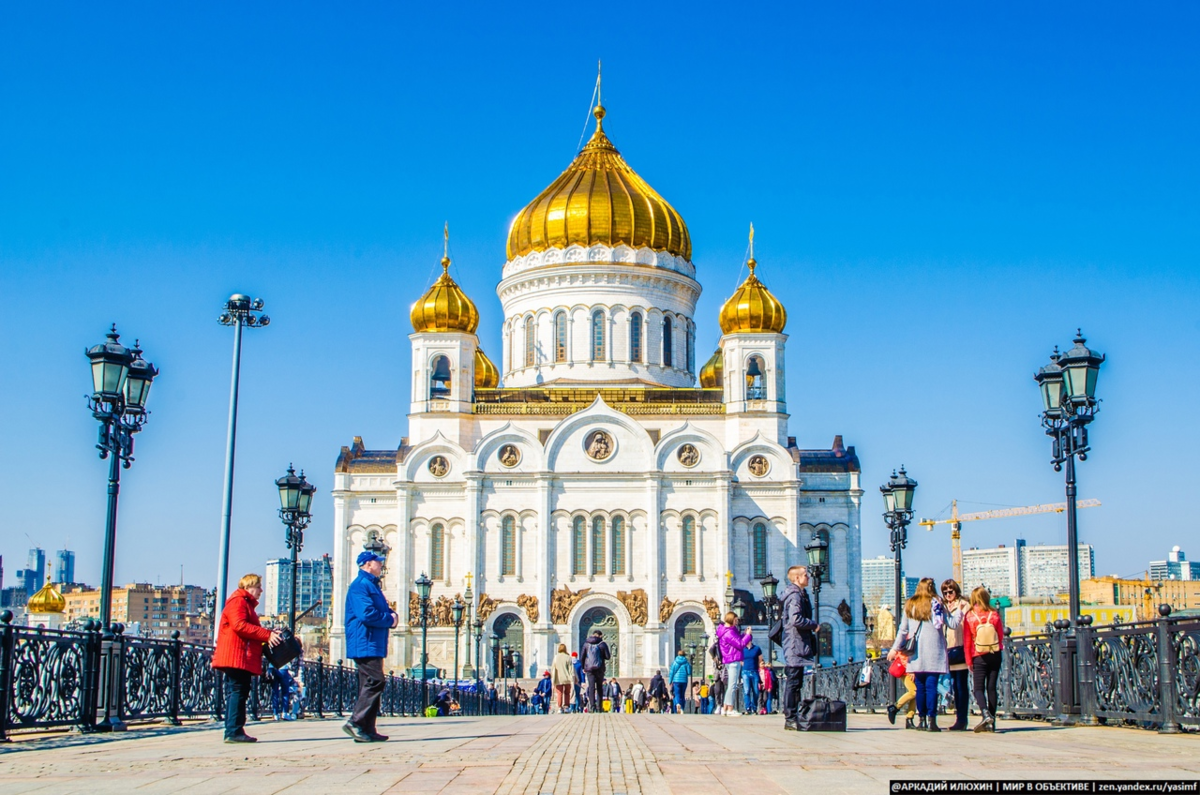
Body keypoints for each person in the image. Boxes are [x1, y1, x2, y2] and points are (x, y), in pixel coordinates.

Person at [212, 573, 283, 743]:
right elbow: (240, 625)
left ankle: (234, 729)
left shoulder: (244, 603)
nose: (261, 590)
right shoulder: (239, 602)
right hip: (236, 655)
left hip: (239, 655)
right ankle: (233, 731)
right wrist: (266, 635)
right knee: (237, 691)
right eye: (258, 587)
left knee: (238, 691)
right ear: (248, 587)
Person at [888, 577, 958, 732]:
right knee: (931, 686)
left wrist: (894, 649)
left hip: (916, 653)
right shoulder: (937, 603)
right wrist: (959, 607)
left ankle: (922, 720)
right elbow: (952, 623)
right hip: (935, 651)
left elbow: (903, 630)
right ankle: (932, 721)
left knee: (920, 688)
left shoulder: (910, 604)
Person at [343, 550, 398, 742]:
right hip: (364, 640)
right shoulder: (360, 586)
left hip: (372, 641)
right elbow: (366, 614)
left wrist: (391, 614)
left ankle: (367, 728)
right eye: (378, 562)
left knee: (368, 683)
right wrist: (389, 619)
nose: (381, 565)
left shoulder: (371, 586)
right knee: (376, 681)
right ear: (367, 564)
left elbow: (377, 609)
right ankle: (356, 722)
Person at [780, 565, 819, 730]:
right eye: (805, 575)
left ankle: (793, 716)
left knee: (796, 682)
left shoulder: (799, 594)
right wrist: (813, 625)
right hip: (795, 644)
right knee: (794, 682)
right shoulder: (795, 596)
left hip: (797, 643)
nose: (808, 577)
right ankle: (790, 717)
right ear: (797, 578)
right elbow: (795, 619)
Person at [964, 586, 1005, 733]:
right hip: (995, 653)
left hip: (978, 654)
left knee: (978, 688)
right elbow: (1000, 635)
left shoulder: (969, 616)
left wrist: (969, 660)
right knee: (992, 688)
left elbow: (967, 640)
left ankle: (985, 713)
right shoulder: (994, 614)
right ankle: (992, 722)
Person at [940, 579, 971, 731]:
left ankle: (962, 719)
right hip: (947, 650)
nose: (948, 595)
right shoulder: (943, 606)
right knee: (952, 685)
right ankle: (959, 717)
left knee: (960, 686)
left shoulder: (964, 605)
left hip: (960, 648)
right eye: (945, 593)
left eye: (950, 592)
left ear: (956, 591)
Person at [715, 612, 751, 716]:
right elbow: (740, 644)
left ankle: (725, 708)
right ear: (731, 620)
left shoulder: (728, 631)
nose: (737, 622)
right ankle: (730, 709)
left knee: (731, 685)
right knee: (732, 685)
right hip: (733, 659)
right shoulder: (728, 633)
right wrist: (748, 635)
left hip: (731, 659)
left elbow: (739, 640)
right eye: (735, 620)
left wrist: (745, 634)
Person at [581, 630, 610, 713]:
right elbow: (608, 657)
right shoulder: (602, 644)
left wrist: (583, 667)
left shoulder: (586, 644)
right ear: (600, 636)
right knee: (599, 687)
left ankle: (592, 707)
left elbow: (582, 656)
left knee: (591, 687)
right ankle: (599, 707)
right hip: (600, 668)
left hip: (589, 669)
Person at [886, 655, 918, 730]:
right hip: (906, 670)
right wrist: (910, 669)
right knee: (914, 692)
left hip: (914, 668)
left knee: (915, 694)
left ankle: (909, 718)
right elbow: (903, 656)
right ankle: (895, 707)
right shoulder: (906, 643)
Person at [551, 644, 575, 713]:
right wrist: (572, 678)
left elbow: (553, 668)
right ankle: (566, 706)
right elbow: (571, 669)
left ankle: (559, 708)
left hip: (558, 678)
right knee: (567, 693)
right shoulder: (568, 657)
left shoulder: (556, 657)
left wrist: (553, 678)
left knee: (559, 693)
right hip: (567, 678)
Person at [742, 639, 763, 715]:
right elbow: (740, 660)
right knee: (746, 690)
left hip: (754, 672)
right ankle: (748, 708)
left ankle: (754, 708)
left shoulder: (757, 648)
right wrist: (744, 666)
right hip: (745, 672)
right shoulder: (742, 649)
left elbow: (760, 659)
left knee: (756, 691)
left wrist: (756, 667)